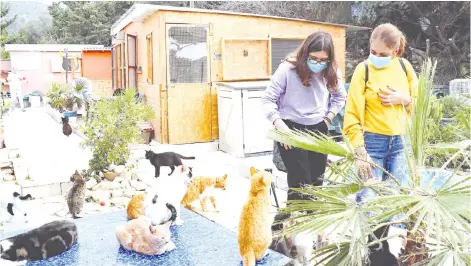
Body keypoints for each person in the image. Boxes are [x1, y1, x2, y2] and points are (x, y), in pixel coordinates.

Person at [343, 23, 418, 226]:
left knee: (399, 202)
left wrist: (405, 99)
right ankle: (370, 253)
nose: (376, 57)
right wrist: (360, 151)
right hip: (372, 143)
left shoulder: (405, 67)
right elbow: (351, 114)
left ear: (395, 51)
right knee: (369, 203)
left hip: (402, 143)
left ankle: (394, 253)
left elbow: (421, 104)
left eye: (383, 54)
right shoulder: (363, 70)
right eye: (372, 51)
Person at [261, 31, 347, 203]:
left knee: (316, 182)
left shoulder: (331, 71)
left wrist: (328, 119)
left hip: (318, 127)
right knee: (300, 181)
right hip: (289, 128)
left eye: (323, 60)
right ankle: (292, 220)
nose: (318, 63)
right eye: (314, 58)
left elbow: (340, 97)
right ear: (305, 53)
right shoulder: (287, 69)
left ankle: (304, 221)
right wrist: (281, 128)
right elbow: (267, 100)